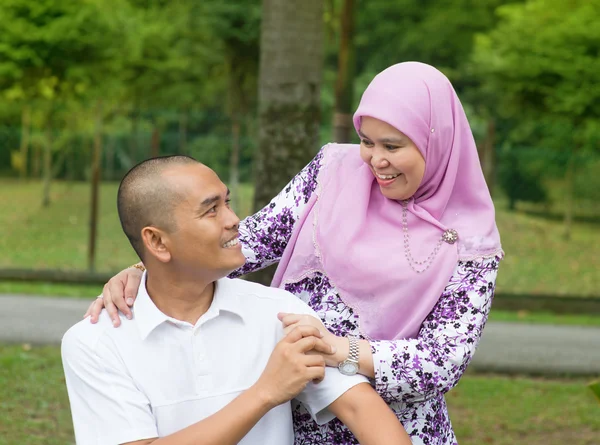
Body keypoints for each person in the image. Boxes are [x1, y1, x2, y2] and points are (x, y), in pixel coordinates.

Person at [87, 62, 503, 445]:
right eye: (366, 141)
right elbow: (251, 240)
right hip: (297, 415)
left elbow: (442, 361)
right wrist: (148, 269)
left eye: (393, 146)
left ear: (437, 140)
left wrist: (341, 349)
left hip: (398, 427)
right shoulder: (333, 172)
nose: (376, 160)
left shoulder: (471, 239)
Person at [62, 156, 411, 445]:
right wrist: (265, 392)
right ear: (157, 242)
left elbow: (364, 412)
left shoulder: (280, 313)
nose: (233, 220)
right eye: (211, 210)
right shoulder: (95, 342)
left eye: (226, 202)